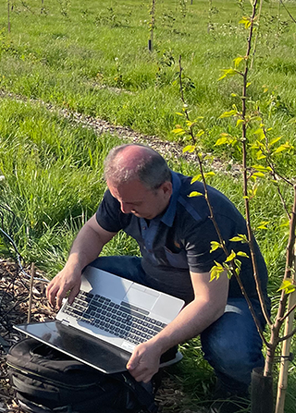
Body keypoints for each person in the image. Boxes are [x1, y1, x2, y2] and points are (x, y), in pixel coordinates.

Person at [47, 144, 268, 408]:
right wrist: (72, 265)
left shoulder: (203, 216)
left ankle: (233, 392)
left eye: (134, 204)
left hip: (227, 297)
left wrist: (158, 343)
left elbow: (210, 302)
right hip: (159, 276)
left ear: (165, 189)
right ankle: (137, 351)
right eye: (119, 201)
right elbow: (94, 232)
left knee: (232, 350)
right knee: (92, 274)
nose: (124, 210)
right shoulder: (125, 195)